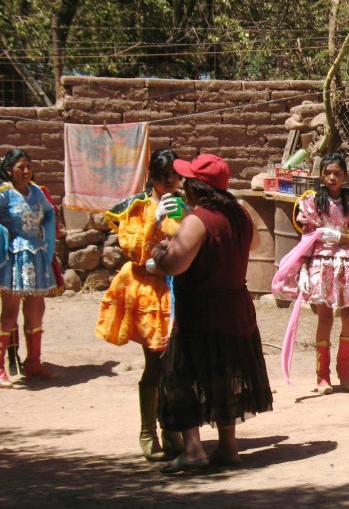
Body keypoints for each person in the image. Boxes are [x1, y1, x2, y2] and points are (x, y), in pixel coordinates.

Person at [148, 153, 273, 473]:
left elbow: (176, 263)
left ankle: (193, 450)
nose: (183, 186)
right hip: (236, 308)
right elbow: (256, 245)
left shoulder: (198, 220)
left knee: (184, 377)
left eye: (187, 181)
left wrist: (157, 253)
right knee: (227, 376)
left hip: (201, 312)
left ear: (197, 187)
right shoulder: (241, 215)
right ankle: (228, 447)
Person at [95, 148, 183, 460]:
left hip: (177, 290)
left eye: (176, 175)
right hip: (148, 292)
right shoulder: (137, 208)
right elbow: (133, 249)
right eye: (167, 177)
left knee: (177, 366)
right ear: (155, 178)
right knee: (156, 364)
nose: (172, 181)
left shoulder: (182, 204)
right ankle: (149, 430)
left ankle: (171, 428)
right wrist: (154, 223)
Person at [279, 152, 349, 392]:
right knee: (324, 317)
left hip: (348, 262)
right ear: (322, 176)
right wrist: (303, 269)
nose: (332, 177)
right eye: (328, 173)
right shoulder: (312, 202)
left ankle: (344, 370)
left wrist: (338, 235)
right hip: (321, 263)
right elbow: (306, 239)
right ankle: (322, 375)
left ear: (345, 176)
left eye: (337, 173)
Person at [0, 148, 57, 387]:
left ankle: (34, 362)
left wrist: (48, 238)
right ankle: (0, 367)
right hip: (13, 258)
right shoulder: (5, 194)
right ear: (9, 171)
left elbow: (50, 212)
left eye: (29, 167)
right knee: (10, 312)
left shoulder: (36, 192)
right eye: (20, 167)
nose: (26, 171)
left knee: (36, 309)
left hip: (36, 256)